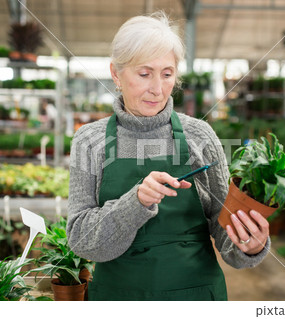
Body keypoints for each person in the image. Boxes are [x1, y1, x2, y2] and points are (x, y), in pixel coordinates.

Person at [67, 12, 270, 301]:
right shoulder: (90, 141)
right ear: (115, 74)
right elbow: (82, 242)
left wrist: (249, 244)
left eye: (167, 74)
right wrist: (136, 201)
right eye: (144, 73)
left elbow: (225, 234)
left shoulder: (200, 136)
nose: (158, 89)